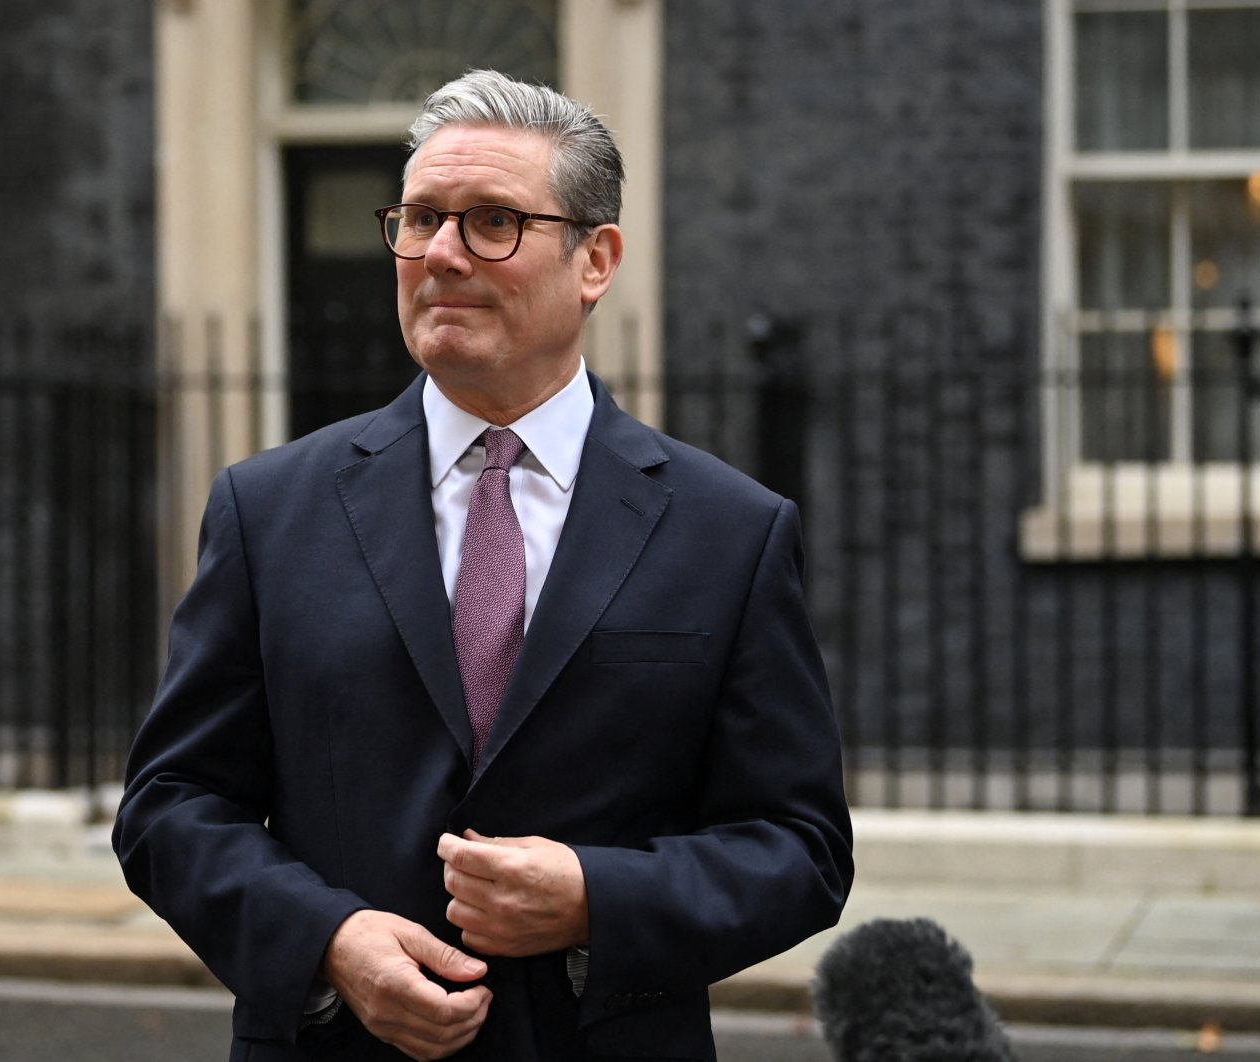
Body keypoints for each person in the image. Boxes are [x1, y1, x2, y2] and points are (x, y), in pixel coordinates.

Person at [113, 69, 852, 1062]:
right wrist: (329, 942)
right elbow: (171, 807)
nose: (443, 255)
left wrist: (596, 897)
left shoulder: (728, 528)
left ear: (595, 260)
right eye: (420, 220)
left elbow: (798, 847)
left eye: (492, 221)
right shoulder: (269, 507)